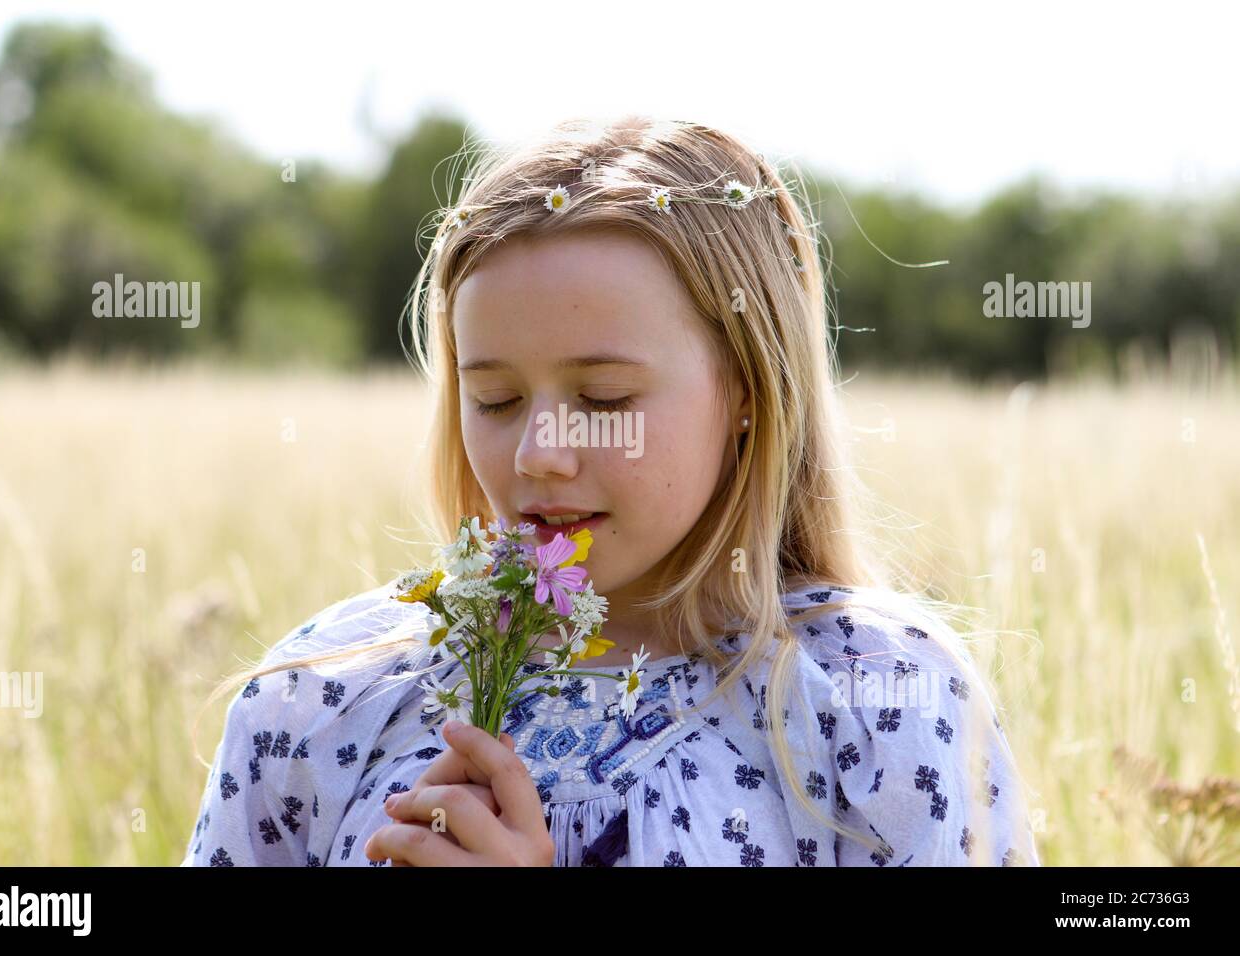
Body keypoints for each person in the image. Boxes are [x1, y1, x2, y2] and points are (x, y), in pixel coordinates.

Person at [182, 116, 1039, 867]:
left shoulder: (878, 703)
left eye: (605, 400)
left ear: (747, 388)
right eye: (496, 399)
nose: (540, 453)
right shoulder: (326, 700)